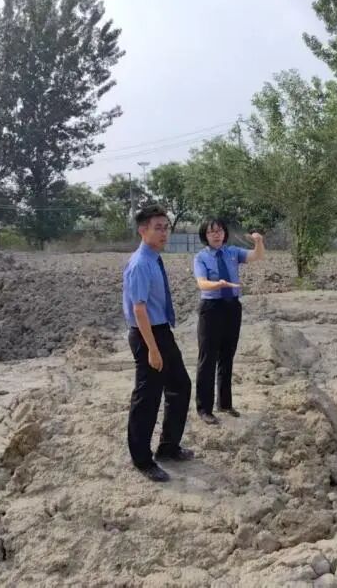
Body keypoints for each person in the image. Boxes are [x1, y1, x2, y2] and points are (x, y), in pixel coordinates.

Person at [122, 204, 194, 482]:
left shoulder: (153, 259)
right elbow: (138, 309)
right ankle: (142, 460)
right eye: (158, 228)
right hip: (147, 335)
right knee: (147, 398)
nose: (164, 233)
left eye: (166, 227)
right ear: (143, 231)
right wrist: (152, 349)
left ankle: (168, 446)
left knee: (180, 386)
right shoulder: (140, 263)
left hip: (161, 331)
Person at [193, 218, 265, 425]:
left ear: (224, 233)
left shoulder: (232, 252)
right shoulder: (201, 257)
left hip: (232, 307)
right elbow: (202, 283)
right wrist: (218, 284)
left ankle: (225, 404)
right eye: (211, 232)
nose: (216, 235)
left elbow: (256, 256)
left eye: (219, 231)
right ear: (205, 236)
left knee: (227, 356)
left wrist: (258, 242)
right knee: (207, 359)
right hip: (211, 308)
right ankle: (204, 408)